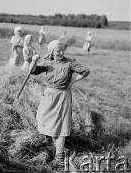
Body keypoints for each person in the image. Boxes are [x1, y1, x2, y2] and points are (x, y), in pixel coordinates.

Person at [29, 40, 90, 171]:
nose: (61, 53)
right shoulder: (47, 62)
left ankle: (59, 158)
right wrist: (33, 61)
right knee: (47, 121)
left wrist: (73, 81)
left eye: (63, 50)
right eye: (58, 50)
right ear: (52, 51)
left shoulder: (69, 63)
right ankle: (55, 144)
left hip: (62, 97)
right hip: (49, 96)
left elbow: (85, 71)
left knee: (61, 126)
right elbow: (32, 71)